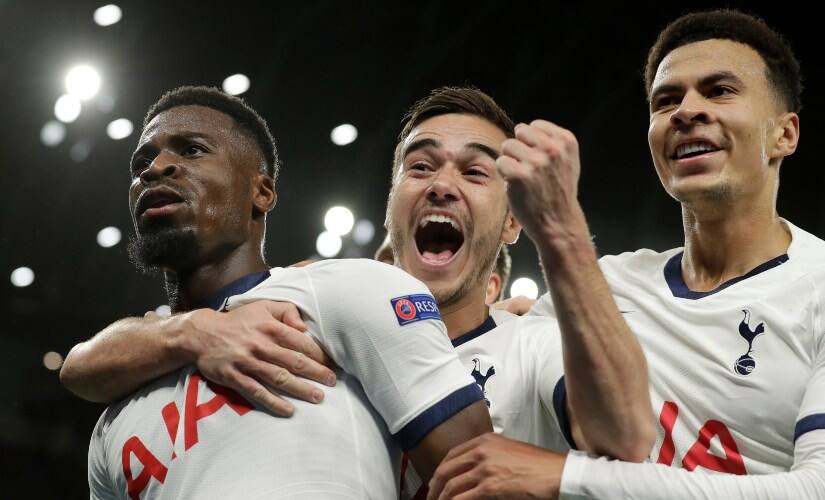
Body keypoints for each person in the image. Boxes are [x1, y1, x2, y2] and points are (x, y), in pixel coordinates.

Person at [428, 9, 825, 499]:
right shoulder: (603, 287)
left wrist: (565, 477)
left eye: (720, 90)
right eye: (666, 100)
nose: (686, 111)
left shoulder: (819, 288)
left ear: (785, 134)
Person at [68, 86, 491, 499]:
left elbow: (479, 476)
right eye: (142, 161)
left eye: (192, 150)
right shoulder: (114, 420)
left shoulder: (349, 288)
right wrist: (193, 331)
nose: (155, 168)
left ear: (262, 192)